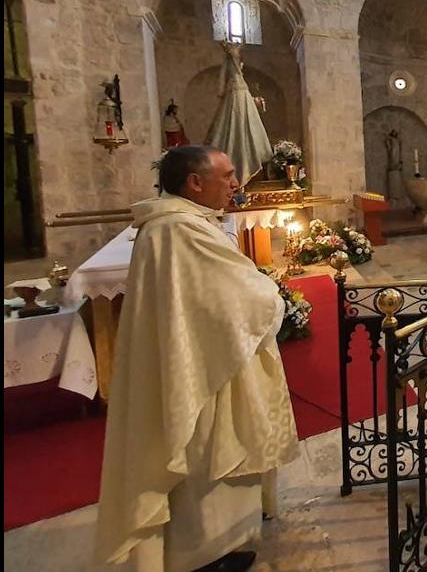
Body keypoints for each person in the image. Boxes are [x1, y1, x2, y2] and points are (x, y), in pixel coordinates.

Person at [96, 145, 298, 572]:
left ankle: (230, 539)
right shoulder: (180, 230)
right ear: (194, 182)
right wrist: (270, 295)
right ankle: (206, 552)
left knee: (221, 449)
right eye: (227, 175)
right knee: (209, 453)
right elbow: (236, 299)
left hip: (207, 354)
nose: (235, 184)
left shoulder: (178, 223)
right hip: (204, 367)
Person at [205, 41, 274, 183]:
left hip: (243, 99)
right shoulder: (234, 71)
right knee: (233, 129)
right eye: (239, 64)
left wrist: (256, 102)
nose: (241, 66)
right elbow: (233, 68)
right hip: (236, 99)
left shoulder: (240, 81)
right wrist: (233, 54)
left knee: (247, 129)